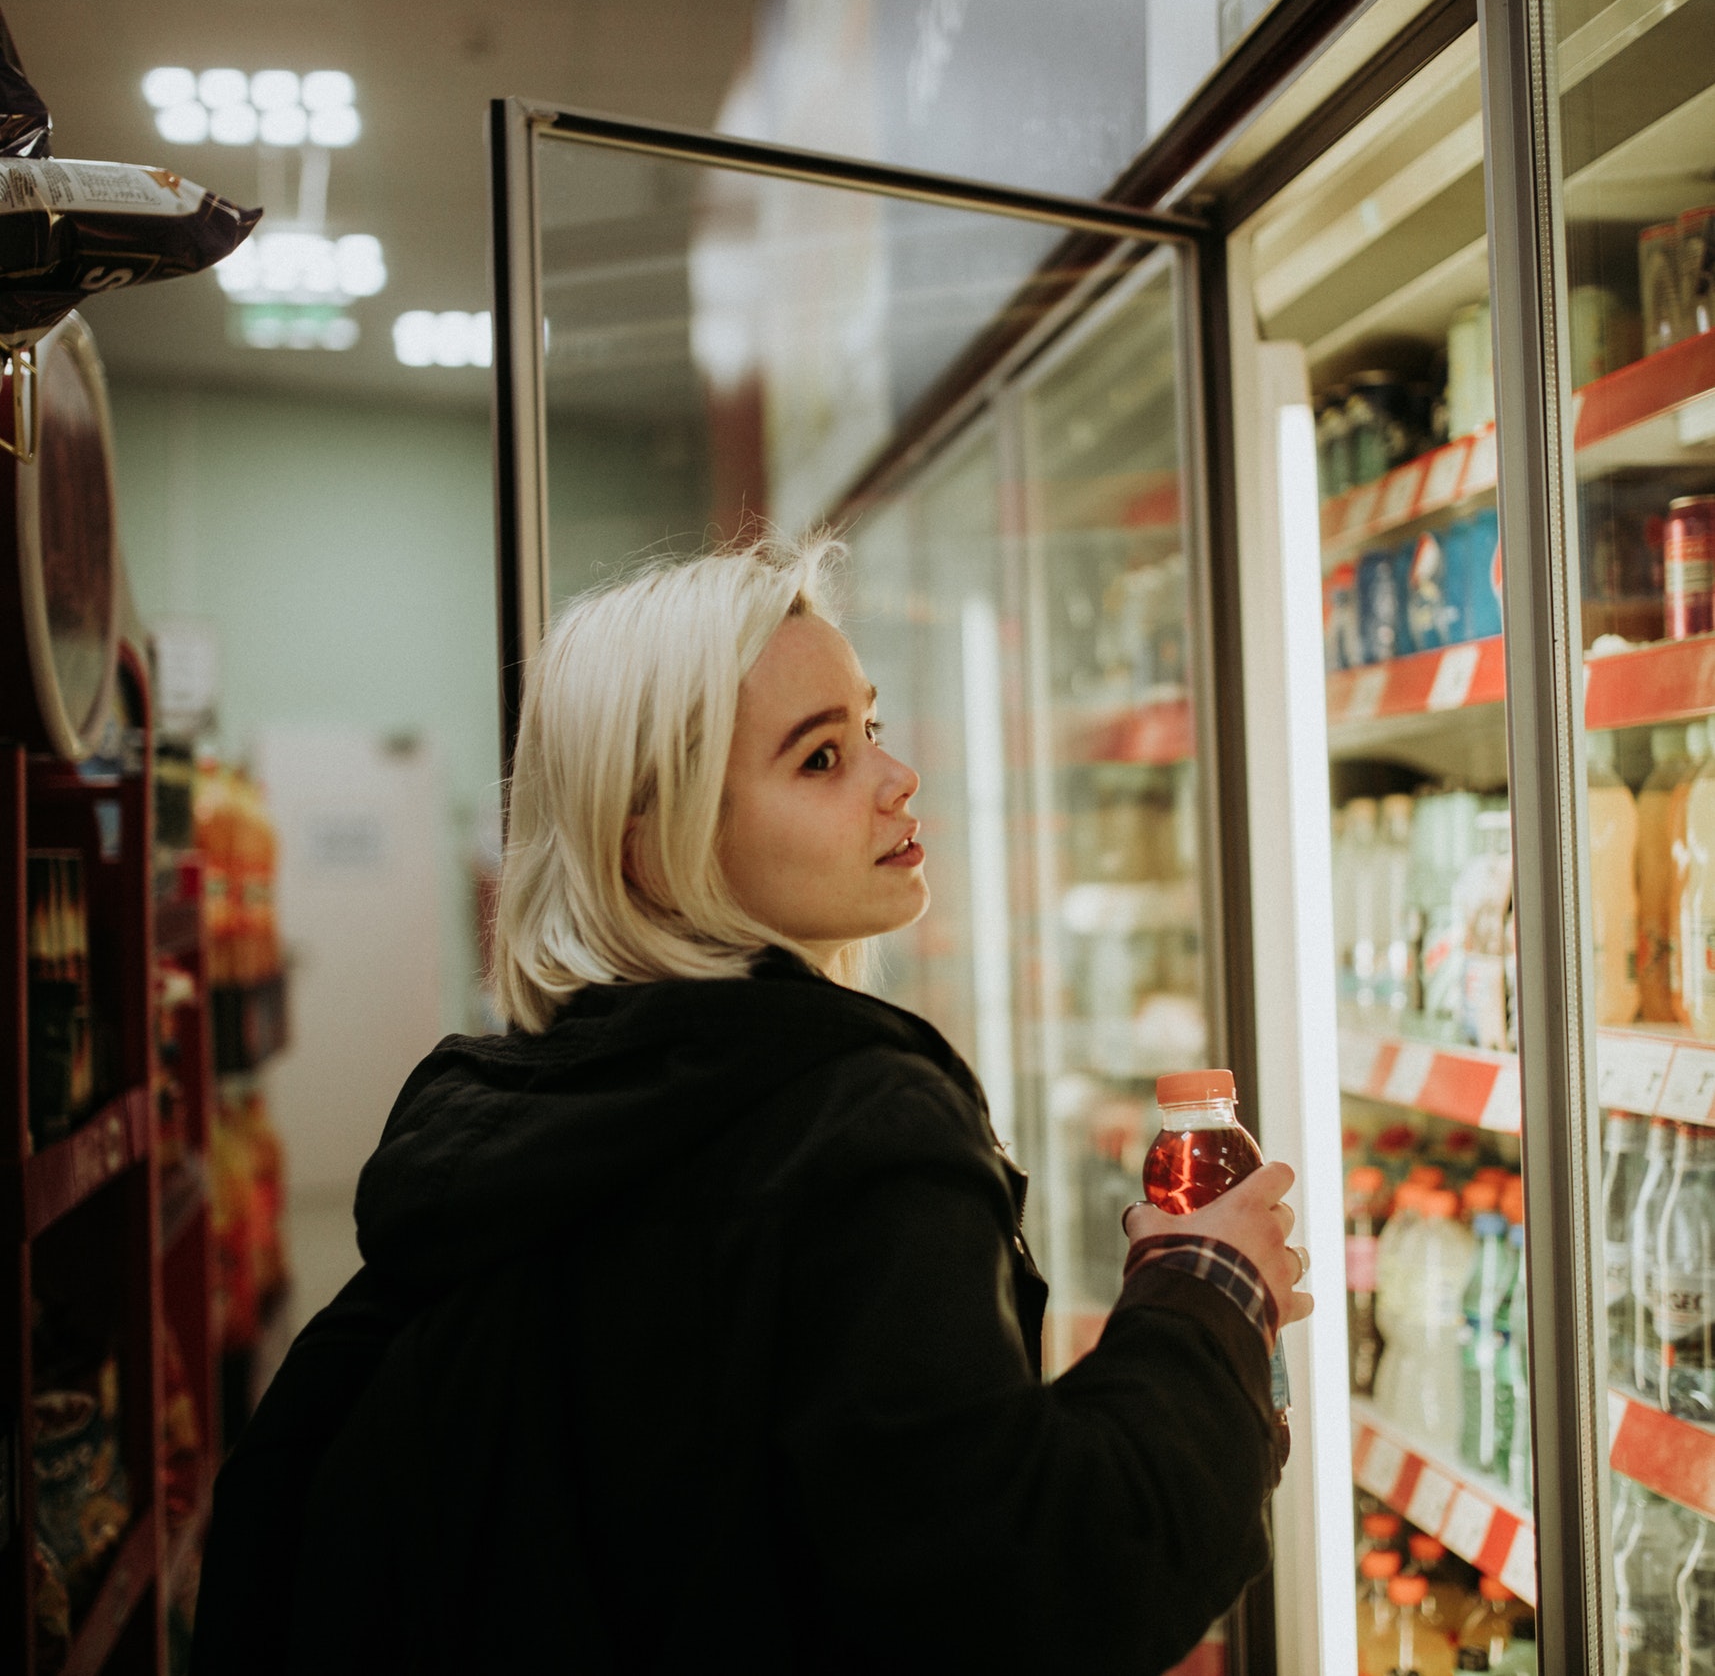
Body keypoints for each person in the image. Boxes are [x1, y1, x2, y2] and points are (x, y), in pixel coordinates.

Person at [191, 534, 1311, 1676]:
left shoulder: (504, 1117)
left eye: (866, 726)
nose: (893, 775)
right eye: (818, 757)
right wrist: (1204, 1292)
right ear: (655, 845)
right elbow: (1013, 1591)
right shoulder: (859, 1128)